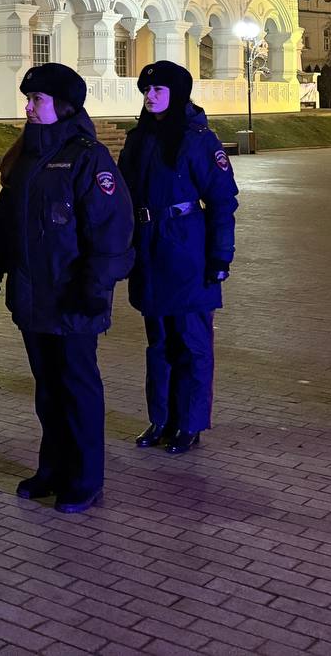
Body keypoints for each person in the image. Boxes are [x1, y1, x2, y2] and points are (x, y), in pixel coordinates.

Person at [0, 63, 133, 512]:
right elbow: (9, 220)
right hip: (34, 294)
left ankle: (86, 477)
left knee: (77, 387)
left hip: (73, 297)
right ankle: (52, 467)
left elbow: (112, 230)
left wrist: (95, 287)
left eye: (37, 100)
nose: (28, 107)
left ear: (64, 106)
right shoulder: (26, 156)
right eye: (27, 99)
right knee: (47, 388)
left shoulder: (88, 157)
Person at [119, 60, 239, 455]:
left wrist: (220, 256)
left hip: (186, 249)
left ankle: (189, 422)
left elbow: (222, 200)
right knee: (158, 342)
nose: (150, 96)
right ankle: (161, 418)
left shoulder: (197, 139)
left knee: (191, 341)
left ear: (178, 93)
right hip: (150, 251)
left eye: (158, 90)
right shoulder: (139, 139)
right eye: (146, 91)